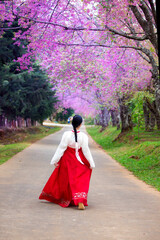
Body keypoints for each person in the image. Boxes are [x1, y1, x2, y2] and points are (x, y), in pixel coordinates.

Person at [39, 115, 95, 210]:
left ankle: (67, 198)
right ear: (80, 124)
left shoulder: (66, 134)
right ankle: (79, 199)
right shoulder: (83, 136)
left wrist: (55, 160)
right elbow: (86, 150)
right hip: (79, 160)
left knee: (67, 179)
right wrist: (91, 163)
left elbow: (61, 148)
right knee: (79, 179)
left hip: (67, 159)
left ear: (72, 123)